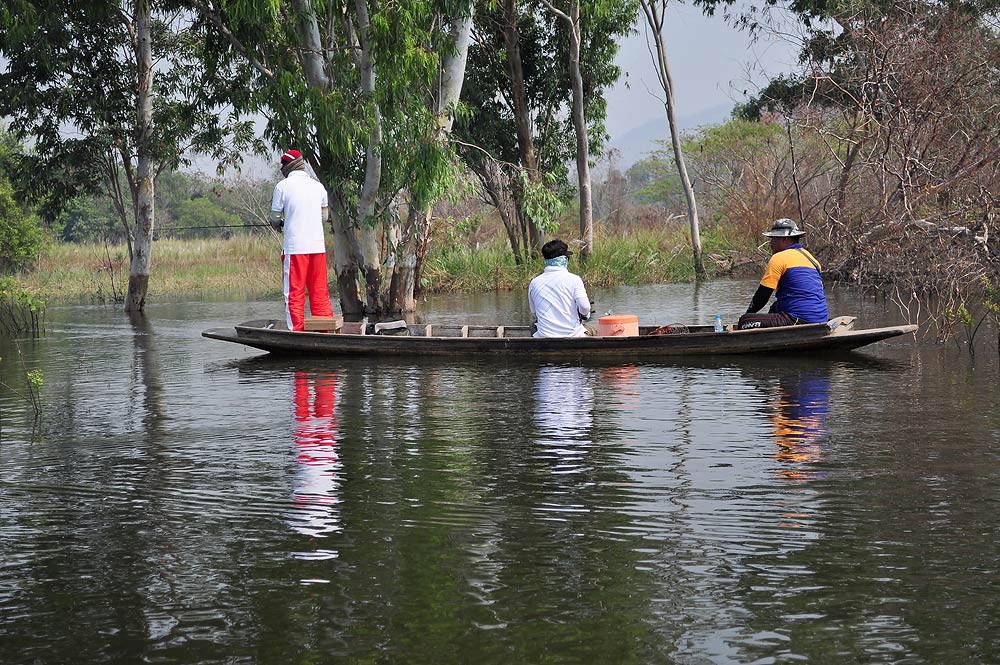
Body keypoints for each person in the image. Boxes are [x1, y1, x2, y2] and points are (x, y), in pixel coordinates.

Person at [269, 149, 335, 331]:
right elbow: (323, 217)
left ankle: (296, 332)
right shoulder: (318, 187)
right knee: (319, 292)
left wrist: (281, 223)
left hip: (295, 248)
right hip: (317, 247)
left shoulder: (282, 186)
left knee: (294, 293)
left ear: (287, 166)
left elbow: (274, 218)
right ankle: (325, 330)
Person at [739, 218, 829, 329]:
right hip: (821, 319)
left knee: (745, 321)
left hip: (798, 320)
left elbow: (762, 296)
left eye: (773, 238)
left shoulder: (778, 258)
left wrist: (748, 314)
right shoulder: (812, 260)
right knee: (775, 307)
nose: (771, 243)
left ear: (784, 239)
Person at [528, 239, 593, 337]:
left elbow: (534, 313)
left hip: (544, 337)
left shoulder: (534, 283)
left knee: (533, 325)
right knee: (595, 327)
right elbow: (585, 307)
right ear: (565, 259)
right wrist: (584, 315)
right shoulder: (574, 280)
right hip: (573, 335)